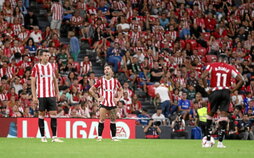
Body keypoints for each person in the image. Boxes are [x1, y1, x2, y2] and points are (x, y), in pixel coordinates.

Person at [201, 54, 244, 148]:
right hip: (225, 91)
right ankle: (220, 143)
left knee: (210, 115)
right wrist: (232, 90)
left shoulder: (212, 65)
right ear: (226, 60)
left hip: (215, 91)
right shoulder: (230, 67)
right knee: (224, 117)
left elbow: (203, 76)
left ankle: (208, 141)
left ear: (218, 59)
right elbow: (241, 80)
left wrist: (206, 88)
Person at [31, 49, 63, 143]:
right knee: (41, 115)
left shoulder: (52, 66)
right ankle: (43, 136)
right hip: (41, 95)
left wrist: (57, 93)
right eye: (45, 55)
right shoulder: (36, 67)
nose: (47, 57)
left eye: (48, 55)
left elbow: (55, 80)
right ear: (40, 57)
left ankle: (54, 137)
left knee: (53, 114)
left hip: (51, 94)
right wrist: (34, 96)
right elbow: (33, 82)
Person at [89, 65, 123, 141]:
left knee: (113, 120)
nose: (106, 70)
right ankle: (100, 137)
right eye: (105, 69)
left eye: (108, 69)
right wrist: (97, 98)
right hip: (104, 104)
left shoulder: (115, 81)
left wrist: (118, 98)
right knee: (101, 119)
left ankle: (114, 137)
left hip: (113, 104)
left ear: (111, 71)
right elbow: (91, 90)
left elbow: (121, 89)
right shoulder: (101, 81)